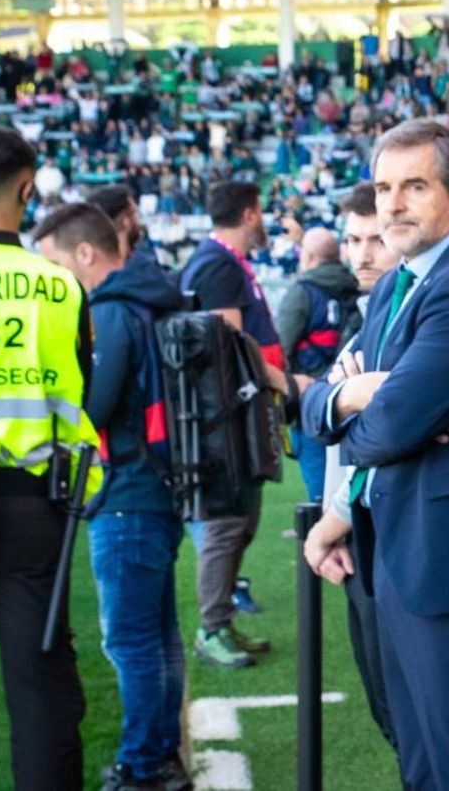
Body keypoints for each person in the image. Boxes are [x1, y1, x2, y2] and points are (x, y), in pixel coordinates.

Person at [300, 119, 449, 790]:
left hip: (447, 566)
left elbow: (396, 424)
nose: (393, 204)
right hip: (397, 552)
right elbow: (324, 407)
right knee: (418, 760)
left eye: (415, 186)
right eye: (385, 187)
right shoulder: (391, 284)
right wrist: (354, 397)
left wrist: (360, 414)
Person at [0, 127, 104, 791]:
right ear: (28, 189)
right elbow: (81, 388)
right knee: (41, 689)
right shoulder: (60, 289)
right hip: (34, 504)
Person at [33, 204, 190, 791]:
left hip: (126, 492)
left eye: (53, 265)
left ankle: (143, 763)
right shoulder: (153, 295)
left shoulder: (112, 312)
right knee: (157, 634)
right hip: (159, 487)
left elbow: (91, 410)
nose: (50, 280)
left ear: (84, 254)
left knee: (130, 640)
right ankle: (161, 755)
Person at [300, 183, 404, 772]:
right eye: (354, 239)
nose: (363, 254)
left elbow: (384, 434)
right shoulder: (361, 320)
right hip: (355, 529)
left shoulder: (397, 323)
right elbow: (325, 418)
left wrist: (329, 523)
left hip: (386, 534)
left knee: (410, 720)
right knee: (386, 709)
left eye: (378, 239)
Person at [178, 180, 288, 668]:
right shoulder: (219, 265)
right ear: (251, 212)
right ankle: (211, 628)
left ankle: (220, 620)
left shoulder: (221, 262)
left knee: (242, 521)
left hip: (236, 417)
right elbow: (232, 350)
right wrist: (291, 384)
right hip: (226, 422)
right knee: (226, 523)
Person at [274, 226, 359, 502]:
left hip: (312, 404)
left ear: (309, 257)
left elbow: (279, 349)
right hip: (351, 402)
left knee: (320, 496)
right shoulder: (357, 287)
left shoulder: (301, 292)